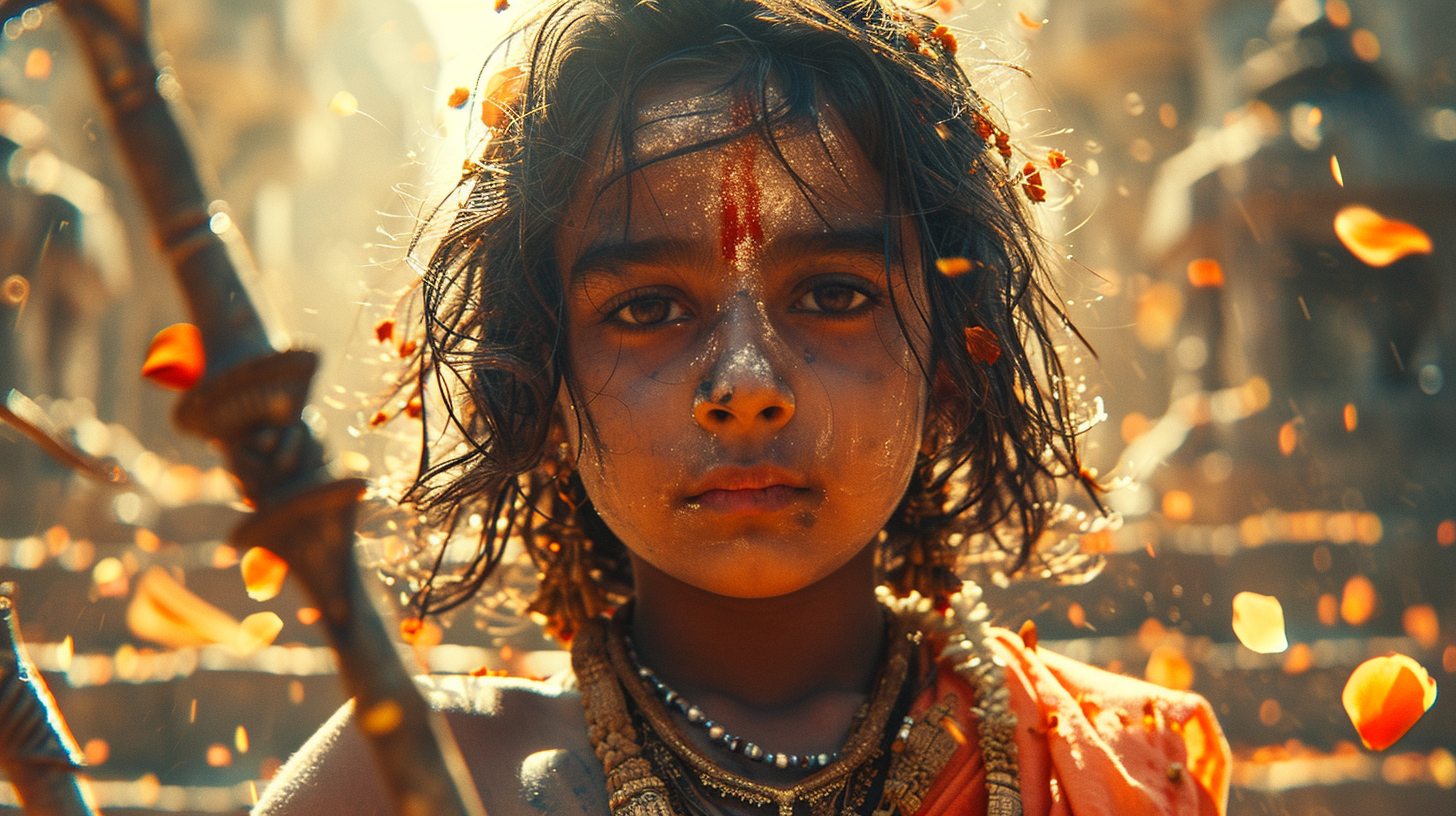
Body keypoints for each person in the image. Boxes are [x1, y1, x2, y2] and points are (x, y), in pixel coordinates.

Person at [255, 1, 1230, 814]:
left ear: (950, 365)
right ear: (541, 387)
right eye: (646, 309)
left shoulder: (1131, 769)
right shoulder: (413, 777)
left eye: (836, 296)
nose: (746, 384)